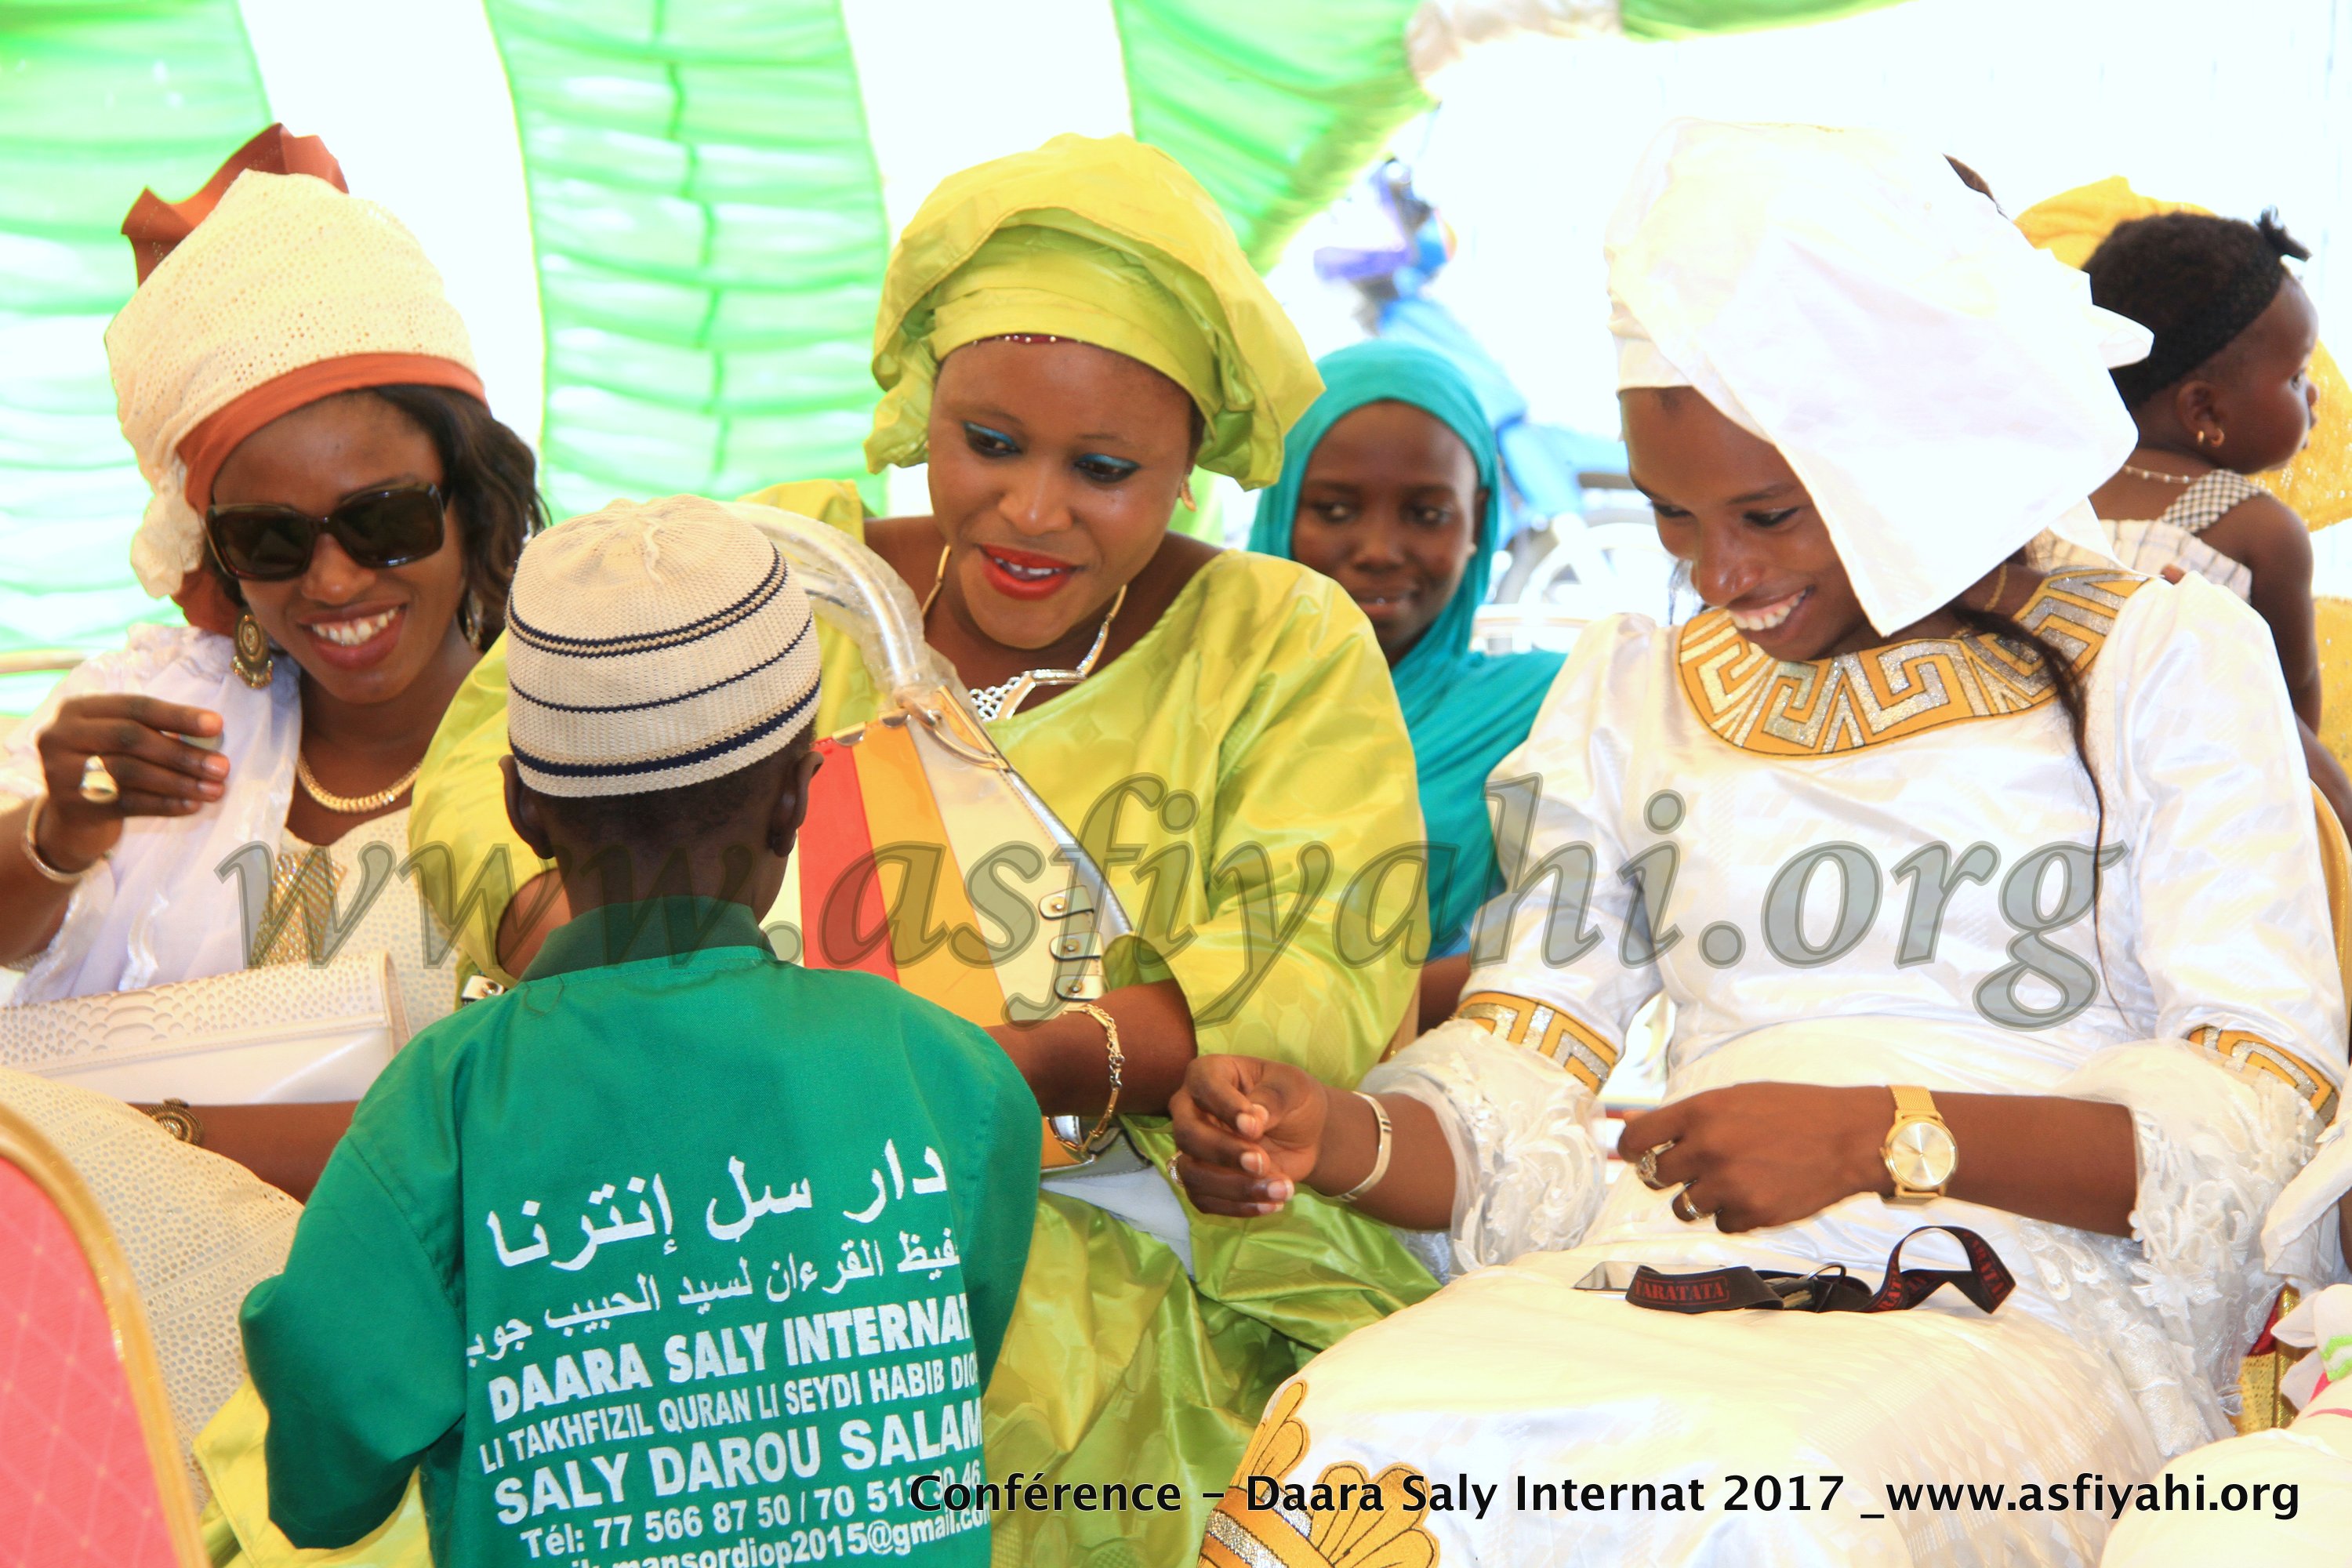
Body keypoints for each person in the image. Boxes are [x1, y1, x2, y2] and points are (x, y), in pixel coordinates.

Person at [1177, 121, 2346, 1566]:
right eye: (1673, 520)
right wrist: (1334, 1136)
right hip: (1668, 1266)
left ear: (1913, 447)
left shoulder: (2166, 659)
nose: (1720, 577)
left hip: (2026, 1291)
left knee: (1770, 1494)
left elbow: (2261, 1110)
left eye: (1770, 513)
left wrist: (1887, 1138)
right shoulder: (1635, 692)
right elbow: (1526, 1057)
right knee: (1345, 1437)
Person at [407, 135, 1435, 1563]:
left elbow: (1320, 954)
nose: (1030, 510)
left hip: (1086, 1229)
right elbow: (491, 750)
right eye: (990, 444)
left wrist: (1009, 1075)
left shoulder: (1275, 646)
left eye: (1106, 468)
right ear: (920, 408)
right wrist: (597, 967)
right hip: (675, 1180)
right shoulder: (786, 573)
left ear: (1193, 460)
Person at [236, 497, 1040, 1566]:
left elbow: (325, 1484)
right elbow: (941, 1370)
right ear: (797, 799)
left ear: (524, 811)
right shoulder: (950, 1072)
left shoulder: (448, 1104)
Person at [0, 127, 543, 1196]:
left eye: (382, 520)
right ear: (218, 556)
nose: (333, 584)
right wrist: (59, 836)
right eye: (273, 541)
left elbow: (549, 1122)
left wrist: (151, 1137)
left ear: (471, 503)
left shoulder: (576, 739)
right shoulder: (158, 710)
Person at [1248, 339, 1563, 1028]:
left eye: (1426, 514)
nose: (1380, 550)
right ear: (1281, 505)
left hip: (1409, 1104)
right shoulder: (1192, 696)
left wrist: (1320, 1024)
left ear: (1477, 518)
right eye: (1334, 510)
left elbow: (1580, 943)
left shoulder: (1544, 707)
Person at [2033, 201, 2352, 828]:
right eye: (2295, 377)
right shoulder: (2258, 528)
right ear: (2204, 412)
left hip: (2045, 803)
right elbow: (2286, 714)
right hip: (2191, 810)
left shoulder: (2048, 492)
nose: (2312, 395)